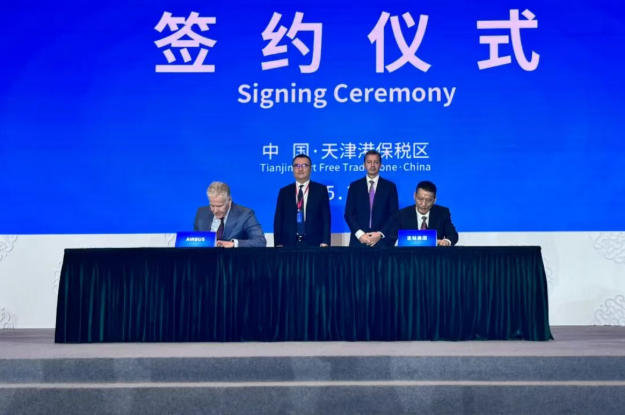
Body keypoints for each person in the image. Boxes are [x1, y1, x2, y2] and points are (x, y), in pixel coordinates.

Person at [274, 154, 331, 247]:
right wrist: (278, 243)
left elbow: (326, 218)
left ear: (310, 168)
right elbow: (278, 219)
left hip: (314, 243)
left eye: (304, 165)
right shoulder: (284, 191)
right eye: (296, 165)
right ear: (292, 169)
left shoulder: (320, 190)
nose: (300, 169)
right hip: (288, 243)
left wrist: (325, 241)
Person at [344, 150, 399, 247]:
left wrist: (380, 234)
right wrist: (360, 234)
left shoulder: (390, 187)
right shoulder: (355, 186)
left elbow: (394, 215)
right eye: (369, 162)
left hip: (382, 242)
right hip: (359, 241)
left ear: (380, 165)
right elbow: (349, 214)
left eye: (376, 162)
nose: (372, 165)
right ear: (364, 164)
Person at [194, 181, 266, 248]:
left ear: (229, 201)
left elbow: (260, 241)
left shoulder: (245, 214)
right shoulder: (201, 213)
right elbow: (195, 242)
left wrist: (233, 244)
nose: (215, 211)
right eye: (212, 205)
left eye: (219, 206)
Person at [395, 180, 458, 246]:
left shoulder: (442, 213)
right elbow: (392, 237)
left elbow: (453, 235)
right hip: (409, 252)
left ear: (434, 200)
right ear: (414, 196)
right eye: (420, 199)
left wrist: (446, 241)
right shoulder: (402, 214)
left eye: (428, 200)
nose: (423, 204)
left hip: (434, 252)